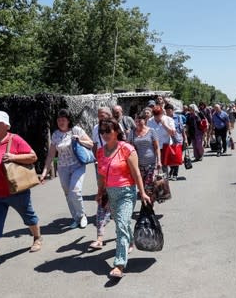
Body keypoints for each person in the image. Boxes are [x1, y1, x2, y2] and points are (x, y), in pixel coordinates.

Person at [0, 111, 42, 275]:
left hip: (15, 190)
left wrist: (13, 157)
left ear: (6, 126)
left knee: (28, 216)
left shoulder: (14, 139)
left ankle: (37, 238)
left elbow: (33, 157)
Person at [96, 118, 152, 278]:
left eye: (108, 131)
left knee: (120, 226)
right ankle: (131, 241)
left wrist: (142, 192)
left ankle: (119, 264)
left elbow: (136, 173)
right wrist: (100, 192)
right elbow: (101, 174)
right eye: (102, 132)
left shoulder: (127, 149)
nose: (105, 134)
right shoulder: (100, 151)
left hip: (126, 192)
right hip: (110, 193)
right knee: (123, 222)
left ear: (116, 131)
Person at [41, 109, 93, 229]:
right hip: (62, 167)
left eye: (63, 119)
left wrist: (79, 140)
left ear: (68, 120)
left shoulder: (76, 130)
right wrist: (44, 173)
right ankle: (76, 218)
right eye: (58, 120)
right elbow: (50, 155)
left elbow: (91, 143)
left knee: (75, 191)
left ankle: (82, 215)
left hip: (77, 165)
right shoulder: (55, 135)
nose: (60, 122)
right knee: (68, 193)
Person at [89, 107, 113, 250]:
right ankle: (99, 238)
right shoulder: (95, 128)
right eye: (98, 115)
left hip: (116, 169)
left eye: (103, 114)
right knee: (102, 200)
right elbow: (95, 145)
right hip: (102, 164)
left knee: (117, 209)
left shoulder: (116, 126)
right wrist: (96, 159)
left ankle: (128, 239)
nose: (100, 117)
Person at [130, 110, 161, 202]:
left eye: (140, 120)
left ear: (145, 120)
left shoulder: (151, 131)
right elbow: (128, 147)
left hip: (151, 164)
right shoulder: (132, 133)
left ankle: (147, 209)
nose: (138, 122)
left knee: (148, 187)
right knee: (142, 187)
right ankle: (147, 207)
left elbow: (157, 147)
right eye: (136, 120)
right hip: (138, 165)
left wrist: (159, 160)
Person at [147, 105, 176, 175]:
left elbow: (173, 133)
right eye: (155, 115)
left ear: (162, 113)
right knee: (155, 166)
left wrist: (164, 124)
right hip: (154, 147)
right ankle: (156, 183)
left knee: (164, 166)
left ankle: (165, 183)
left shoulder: (168, 119)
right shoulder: (150, 121)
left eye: (158, 115)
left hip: (165, 146)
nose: (156, 117)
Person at [164, 103, 187, 180]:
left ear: (172, 110)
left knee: (176, 157)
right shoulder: (164, 119)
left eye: (169, 110)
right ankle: (172, 170)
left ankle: (175, 174)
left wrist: (185, 139)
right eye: (166, 111)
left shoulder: (178, 117)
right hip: (168, 140)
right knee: (170, 158)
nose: (168, 112)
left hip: (177, 140)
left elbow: (182, 129)